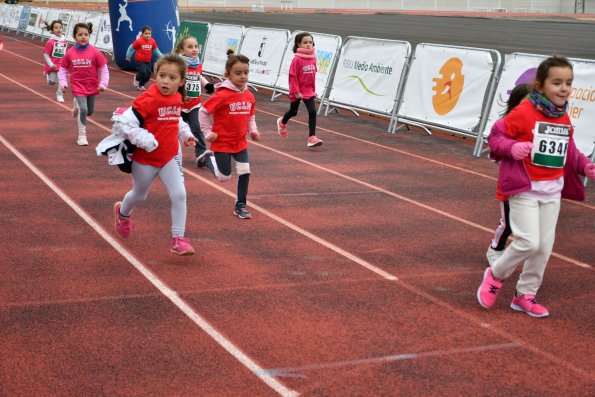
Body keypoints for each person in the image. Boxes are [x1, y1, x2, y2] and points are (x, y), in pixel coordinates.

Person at [477, 55, 595, 318]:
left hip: (552, 192)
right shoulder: (523, 112)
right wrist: (513, 147)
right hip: (525, 190)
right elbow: (495, 137)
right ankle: (495, 275)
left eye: (568, 82)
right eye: (557, 82)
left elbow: (570, 151)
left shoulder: (562, 116)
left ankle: (525, 295)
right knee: (529, 242)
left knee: (543, 248)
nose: (564, 88)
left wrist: (584, 165)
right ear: (541, 86)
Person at [110, 53, 198, 256]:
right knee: (139, 195)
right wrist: (144, 138)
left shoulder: (177, 98)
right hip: (145, 160)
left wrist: (186, 134)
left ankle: (178, 238)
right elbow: (123, 123)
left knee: (180, 194)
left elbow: (177, 121)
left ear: (181, 81)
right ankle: (122, 213)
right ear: (155, 75)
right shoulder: (148, 98)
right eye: (162, 76)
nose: (165, 81)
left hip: (168, 157)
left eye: (172, 78)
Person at [197, 54, 260, 219]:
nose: (243, 76)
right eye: (238, 73)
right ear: (228, 75)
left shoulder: (249, 96)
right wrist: (207, 132)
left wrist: (253, 130)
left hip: (240, 142)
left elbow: (251, 116)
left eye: (246, 72)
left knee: (245, 171)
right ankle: (208, 158)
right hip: (222, 142)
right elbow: (203, 112)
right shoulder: (221, 95)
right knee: (224, 177)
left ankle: (240, 205)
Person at [485, 83, 531, 267]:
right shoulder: (506, 126)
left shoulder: (537, 127)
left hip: (533, 185)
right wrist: (511, 150)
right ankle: (495, 249)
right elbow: (495, 150)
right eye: (525, 103)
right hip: (510, 185)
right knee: (509, 223)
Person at [58, 23, 109, 146]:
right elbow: (63, 69)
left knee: (89, 112)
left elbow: (104, 69)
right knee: (84, 110)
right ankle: (82, 135)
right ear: (74, 37)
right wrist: (63, 83)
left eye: (85, 34)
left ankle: (76, 105)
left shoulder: (95, 52)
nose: (83, 37)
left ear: (89, 35)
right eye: (80, 35)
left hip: (92, 86)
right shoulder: (70, 53)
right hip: (77, 86)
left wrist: (103, 84)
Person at [276, 32, 322, 148]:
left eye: (310, 42)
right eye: (305, 42)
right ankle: (282, 122)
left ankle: (312, 137)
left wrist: (313, 90)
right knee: (293, 112)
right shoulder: (297, 60)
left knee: (312, 112)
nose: (308, 45)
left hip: (308, 91)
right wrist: (296, 91)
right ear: (298, 44)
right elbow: (293, 76)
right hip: (297, 90)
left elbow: (312, 76)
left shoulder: (313, 58)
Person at [175, 36, 215, 167]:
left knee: (197, 128)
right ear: (182, 50)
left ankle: (201, 154)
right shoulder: (178, 64)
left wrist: (207, 84)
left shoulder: (198, 64)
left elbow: (199, 76)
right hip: (179, 105)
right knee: (175, 129)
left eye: (196, 46)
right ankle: (172, 153)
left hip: (194, 104)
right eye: (190, 47)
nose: (194, 49)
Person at [125, 25, 163, 91]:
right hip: (139, 60)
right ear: (142, 34)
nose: (148, 35)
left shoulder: (152, 41)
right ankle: (136, 78)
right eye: (146, 33)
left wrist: (163, 58)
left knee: (148, 75)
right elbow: (131, 48)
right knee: (143, 72)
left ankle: (141, 85)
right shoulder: (139, 41)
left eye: (149, 33)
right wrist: (128, 56)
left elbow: (156, 51)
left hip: (147, 61)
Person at [42, 19, 68, 103]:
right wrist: (50, 64)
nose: (59, 29)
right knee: (51, 82)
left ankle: (59, 94)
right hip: (52, 64)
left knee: (62, 80)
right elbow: (46, 54)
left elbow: (66, 53)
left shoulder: (64, 40)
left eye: (60, 27)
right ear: (53, 30)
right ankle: (46, 73)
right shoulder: (50, 42)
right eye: (56, 28)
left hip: (61, 65)